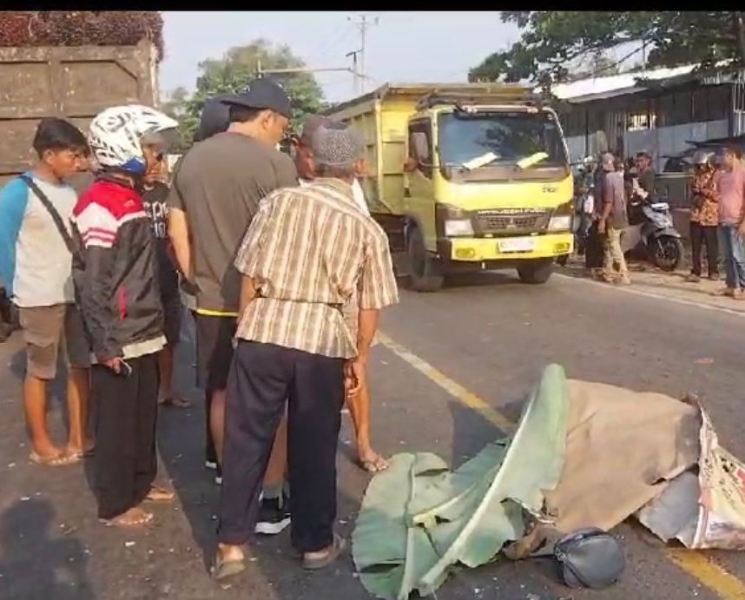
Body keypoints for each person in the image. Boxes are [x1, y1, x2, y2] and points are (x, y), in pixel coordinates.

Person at [212, 122, 399, 579]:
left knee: (247, 440)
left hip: (264, 331)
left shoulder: (277, 203)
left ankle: (231, 545)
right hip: (321, 342)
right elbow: (370, 307)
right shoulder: (366, 228)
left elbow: (250, 276)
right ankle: (315, 543)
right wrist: (357, 358)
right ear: (356, 167)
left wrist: (244, 331)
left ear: (311, 161)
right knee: (314, 446)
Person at [166, 79, 297, 532]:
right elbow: (288, 237)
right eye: (282, 124)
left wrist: (196, 277)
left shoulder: (190, 161)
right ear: (266, 117)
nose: (282, 132)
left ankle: (231, 483)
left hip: (210, 303)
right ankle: (271, 501)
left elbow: (176, 233)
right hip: (265, 302)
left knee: (221, 392)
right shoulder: (277, 164)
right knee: (271, 401)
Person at [72, 105, 178, 527]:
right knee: (117, 422)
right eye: (149, 148)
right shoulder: (100, 203)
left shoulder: (128, 197)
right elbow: (92, 281)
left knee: (142, 417)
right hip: (120, 334)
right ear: (124, 149)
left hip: (144, 327)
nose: (156, 157)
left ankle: (141, 481)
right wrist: (104, 342)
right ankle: (116, 502)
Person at [293, 115, 388, 473]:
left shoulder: (348, 186)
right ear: (301, 150)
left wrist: (361, 345)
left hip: (345, 297)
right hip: (306, 302)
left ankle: (363, 444)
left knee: (356, 372)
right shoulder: (289, 191)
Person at [0, 118, 92, 466]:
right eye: (73, 155)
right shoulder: (17, 193)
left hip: (73, 293)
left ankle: (79, 436)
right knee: (41, 371)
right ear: (49, 154)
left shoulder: (69, 192)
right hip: (38, 296)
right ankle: (41, 443)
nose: (78, 162)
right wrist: (15, 289)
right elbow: (3, 245)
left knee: (81, 366)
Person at [141, 158, 191, 408]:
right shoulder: (132, 194)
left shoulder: (168, 194)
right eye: (150, 159)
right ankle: (146, 391)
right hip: (140, 280)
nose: (155, 165)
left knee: (169, 337)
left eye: (160, 159)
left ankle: (166, 389)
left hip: (167, 275)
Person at [713, 145, 745, 299]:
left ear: (732, 156)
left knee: (738, 256)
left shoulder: (743, 174)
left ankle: (743, 286)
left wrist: (744, 222)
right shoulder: (723, 175)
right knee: (727, 255)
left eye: (725, 156)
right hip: (723, 219)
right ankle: (731, 285)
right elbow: (716, 192)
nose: (722, 159)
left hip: (736, 221)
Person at [686, 151, 720, 283]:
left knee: (712, 247)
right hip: (696, 215)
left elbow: (718, 195)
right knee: (695, 246)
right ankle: (696, 271)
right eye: (697, 166)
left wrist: (703, 191)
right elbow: (692, 192)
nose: (699, 168)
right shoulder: (695, 176)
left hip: (710, 216)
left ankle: (713, 271)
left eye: (701, 165)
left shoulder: (716, 176)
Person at [597, 152, 631, 285]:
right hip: (622, 215)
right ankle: (608, 272)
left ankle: (623, 273)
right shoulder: (619, 177)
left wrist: (602, 220)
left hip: (613, 217)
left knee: (613, 245)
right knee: (609, 244)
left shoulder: (607, 179)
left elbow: (609, 202)